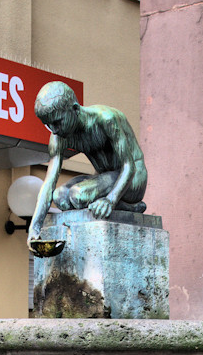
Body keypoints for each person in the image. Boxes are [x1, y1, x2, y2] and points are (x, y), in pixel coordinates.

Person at [28, 81, 147, 249]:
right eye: (48, 125)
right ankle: (124, 206)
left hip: (132, 179)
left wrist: (110, 200)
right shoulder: (59, 136)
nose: (54, 130)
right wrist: (34, 227)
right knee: (60, 197)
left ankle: (128, 205)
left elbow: (129, 166)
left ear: (75, 110)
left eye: (58, 122)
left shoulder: (106, 119)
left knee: (78, 195)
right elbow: (49, 183)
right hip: (105, 179)